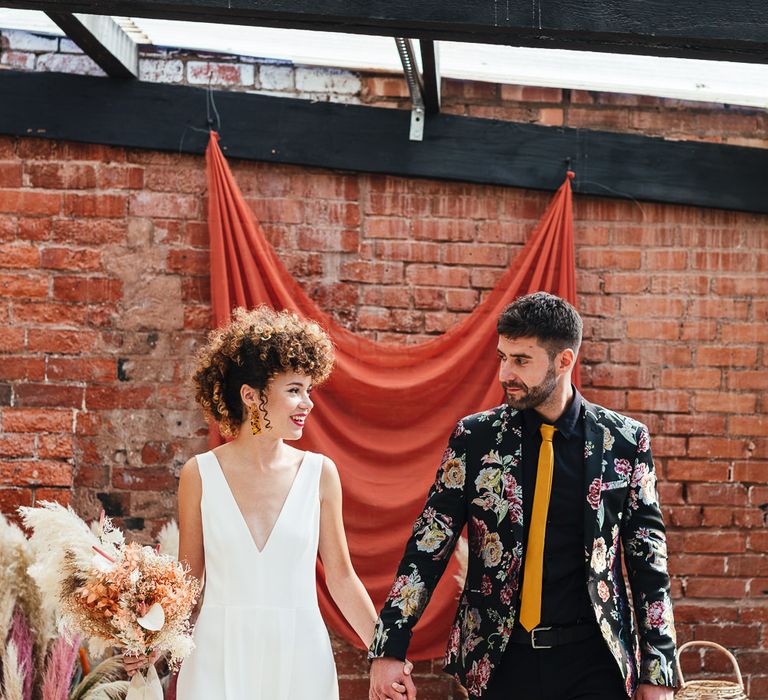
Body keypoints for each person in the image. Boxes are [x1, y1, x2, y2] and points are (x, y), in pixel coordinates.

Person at [369, 292, 677, 700]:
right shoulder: (475, 438)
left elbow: (649, 564)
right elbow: (428, 547)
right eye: (503, 357)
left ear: (564, 361)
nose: (505, 373)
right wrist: (388, 648)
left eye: (521, 360)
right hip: (499, 663)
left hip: (595, 663)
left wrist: (658, 674)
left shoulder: (624, 441)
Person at [124, 306, 412, 699]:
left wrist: (384, 653)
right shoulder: (199, 474)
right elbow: (189, 582)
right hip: (215, 654)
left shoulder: (320, 474)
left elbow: (342, 579)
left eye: (309, 390)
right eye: (294, 390)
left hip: (300, 656)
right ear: (251, 395)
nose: (308, 403)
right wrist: (152, 641)